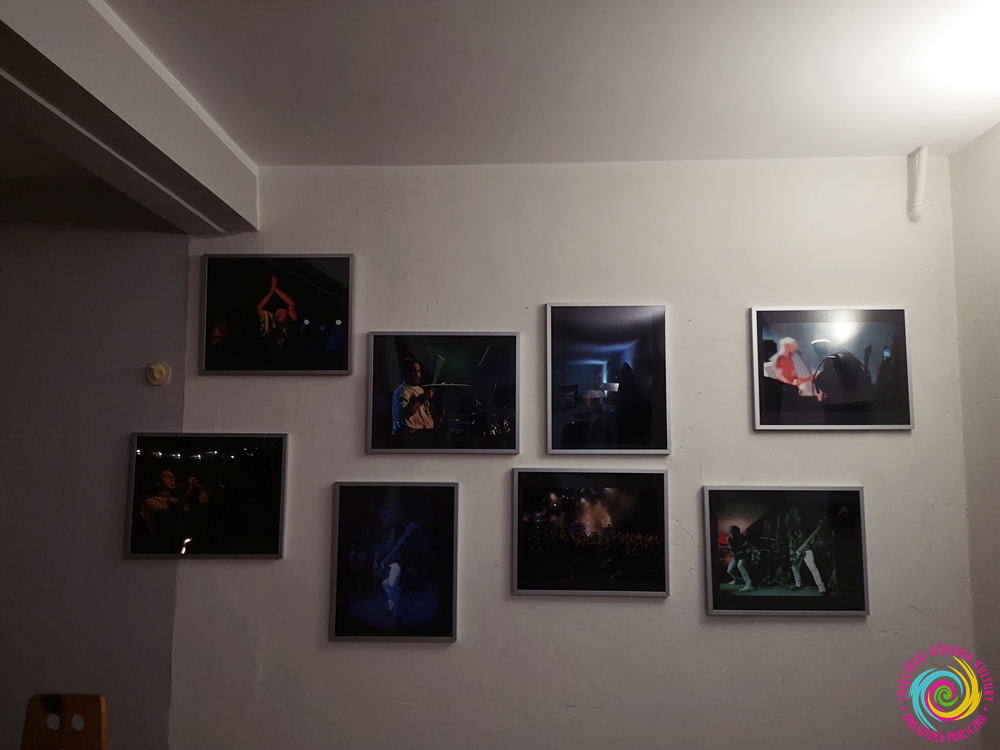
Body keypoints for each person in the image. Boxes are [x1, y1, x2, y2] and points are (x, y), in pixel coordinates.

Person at [256, 275, 301, 355]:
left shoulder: (273, 320)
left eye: (277, 315)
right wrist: (274, 289)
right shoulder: (292, 321)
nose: (278, 314)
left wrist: (272, 291)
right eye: (279, 316)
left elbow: (259, 308)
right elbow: (291, 304)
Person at [786, 508, 827, 594]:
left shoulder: (807, 525)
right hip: (797, 551)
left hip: (806, 550)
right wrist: (792, 550)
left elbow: (813, 538)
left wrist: (810, 544)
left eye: (798, 515)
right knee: (794, 568)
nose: (797, 517)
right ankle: (797, 584)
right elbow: (792, 539)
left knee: (812, 568)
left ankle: (821, 587)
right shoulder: (794, 527)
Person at [392, 359, 435, 435]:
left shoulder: (420, 389)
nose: (417, 375)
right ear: (405, 373)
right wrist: (422, 398)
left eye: (418, 371)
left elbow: (426, 412)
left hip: (423, 433)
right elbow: (403, 414)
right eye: (413, 371)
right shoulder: (402, 391)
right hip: (409, 435)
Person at [726, 525, 753, 592]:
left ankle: (749, 585)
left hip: (744, 555)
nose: (731, 534)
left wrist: (741, 549)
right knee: (729, 570)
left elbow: (747, 549)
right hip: (737, 555)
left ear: (737, 532)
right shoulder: (729, 538)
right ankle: (737, 580)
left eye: (733, 532)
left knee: (740, 566)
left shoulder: (744, 538)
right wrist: (741, 548)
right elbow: (733, 550)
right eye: (730, 532)